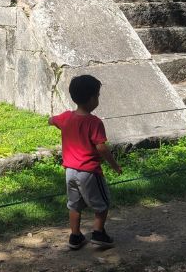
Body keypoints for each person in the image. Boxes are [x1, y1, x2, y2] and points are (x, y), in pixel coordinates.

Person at [48, 74, 123, 250]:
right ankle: (98, 233)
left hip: (70, 171)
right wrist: (115, 165)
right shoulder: (94, 122)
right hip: (89, 172)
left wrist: (53, 122)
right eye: (97, 95)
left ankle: (75, 237)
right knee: (102, 203)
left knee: (74, 205)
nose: (98, 99)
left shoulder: (66, 117)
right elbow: (101, 148)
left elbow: (51, 120)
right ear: (91, 99)